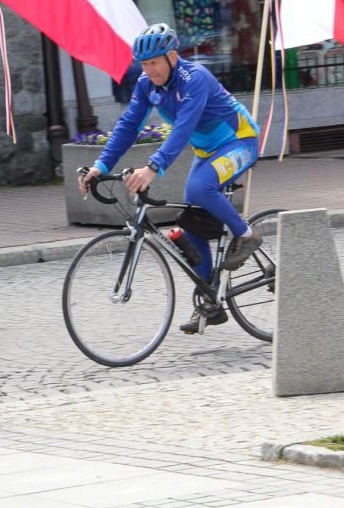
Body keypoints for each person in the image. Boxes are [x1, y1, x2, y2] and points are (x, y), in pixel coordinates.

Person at [78, 23, 261, 334]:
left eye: (154, 62)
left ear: (172, 57)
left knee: (199, 188)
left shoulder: (195, 78)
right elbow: (128, 126)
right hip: (208, 153)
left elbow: (184, 128)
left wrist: (153, 167)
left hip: (240, 142)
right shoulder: (146, 85)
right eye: (144, 64)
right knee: (193, 222)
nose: (149, 70)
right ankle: (210, 302)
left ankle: (246, 234)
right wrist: (100, 165)